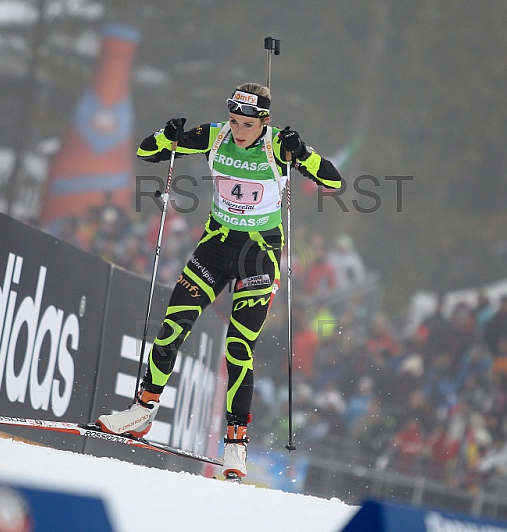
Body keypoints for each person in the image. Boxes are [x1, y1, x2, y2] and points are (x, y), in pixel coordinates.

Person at [96, 82, 342, 481]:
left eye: (248, 124)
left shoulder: (279, 145)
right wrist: (166, 134)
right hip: (216, 247)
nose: (239, 131)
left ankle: (235, 445)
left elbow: (334, 183)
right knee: (172, 328)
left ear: (265, 122)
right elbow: (147, 151)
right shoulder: (215, 135)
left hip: (259, 256)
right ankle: (142, 411)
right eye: (234, 121)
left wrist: (306, 154)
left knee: (238, 349)